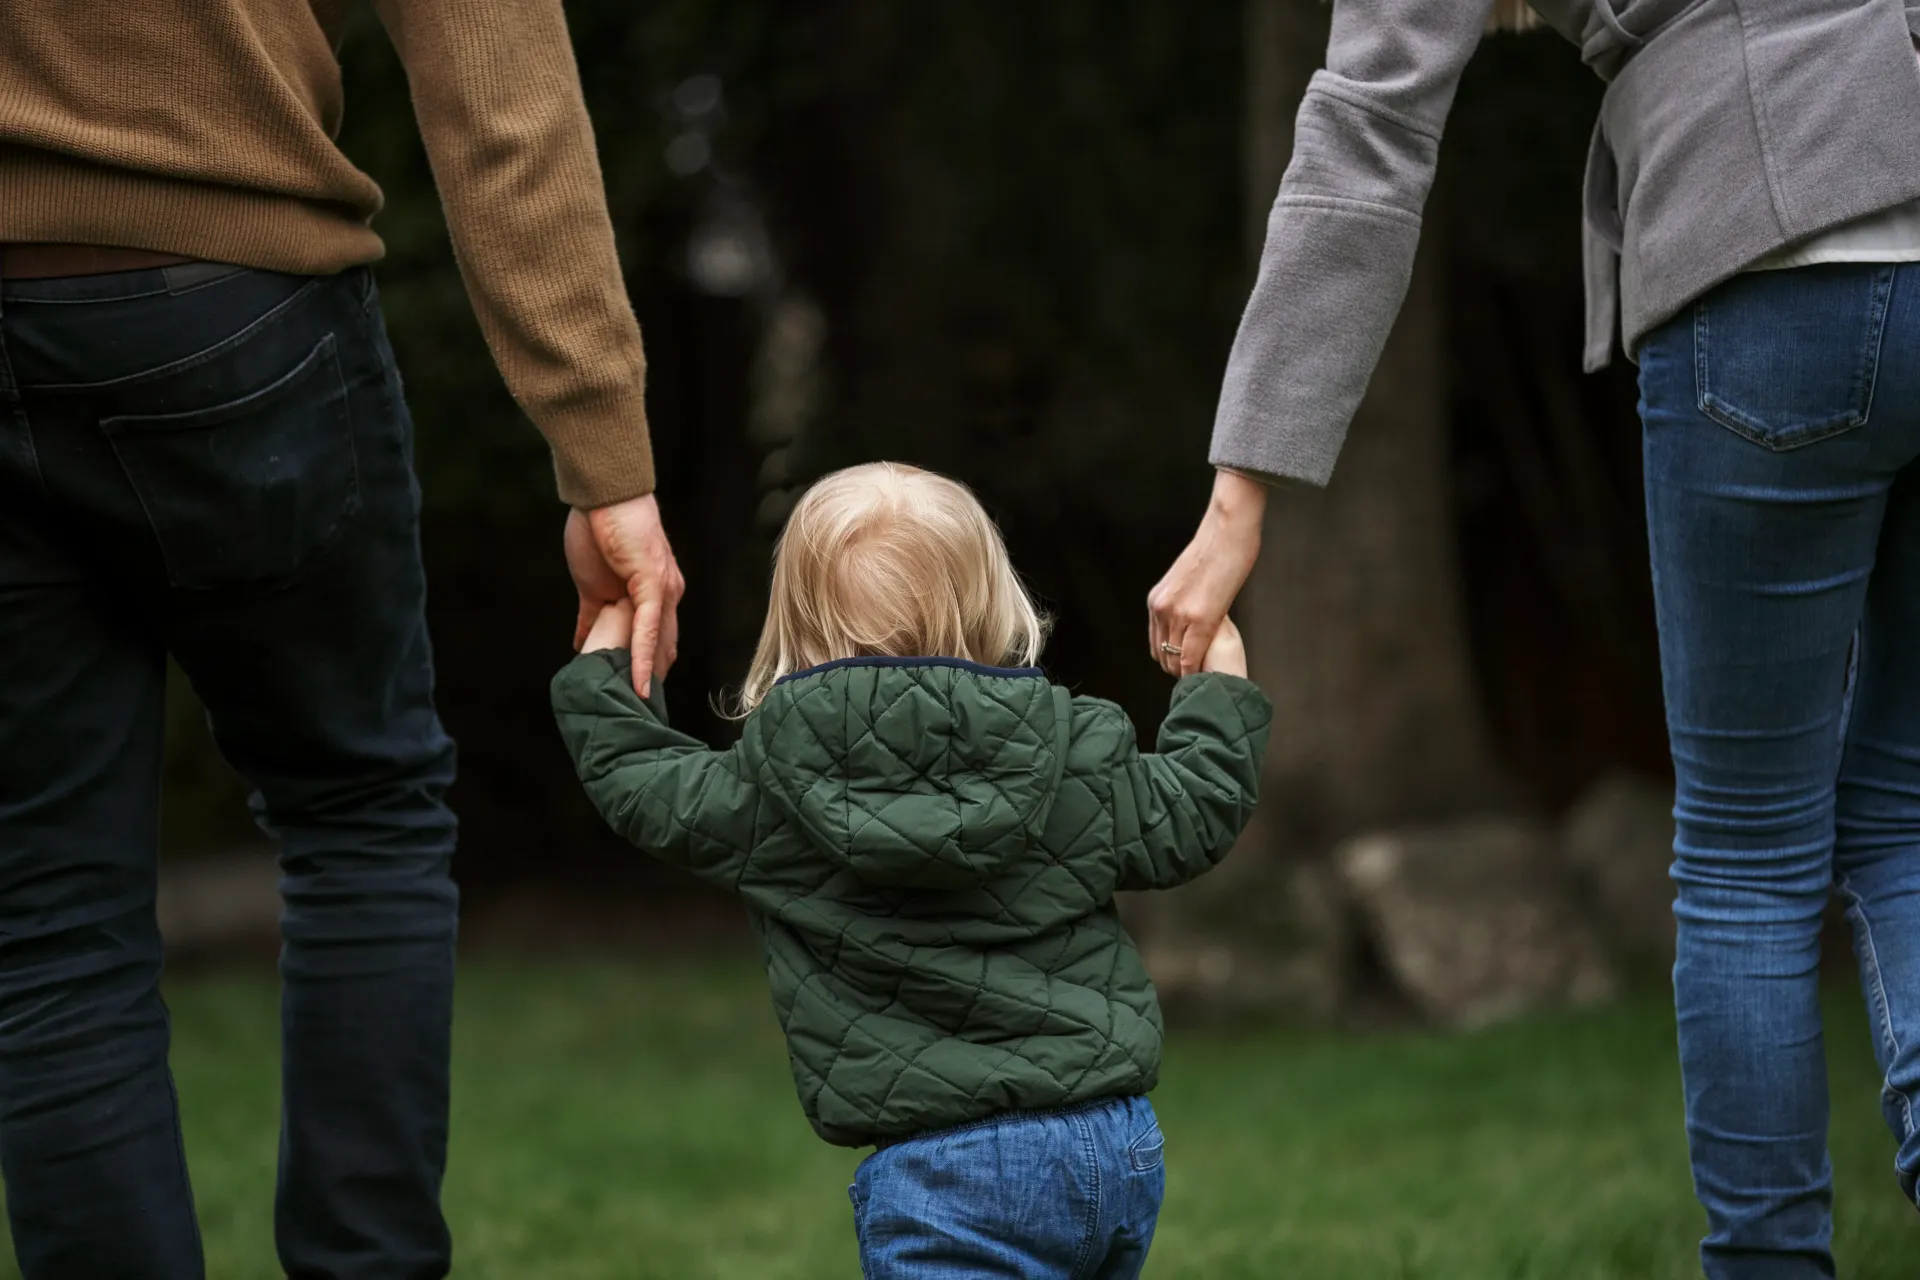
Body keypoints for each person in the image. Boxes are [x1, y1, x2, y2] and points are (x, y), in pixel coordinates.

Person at [1148, 2, 1920, 1276]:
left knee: (1746, 853)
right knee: (1903, 802)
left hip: (1769, 254)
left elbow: (1369, 128)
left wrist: (1242, 494)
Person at [0, 2, 681, 1276]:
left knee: (43, 916)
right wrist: (604, 451)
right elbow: (490, 50)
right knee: (359, 812)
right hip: (228, 299)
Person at [551, 462, 1271, 1278]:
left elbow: (639, 783)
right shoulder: (1075, 753)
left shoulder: (767, 790)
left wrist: (610, 661)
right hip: (1106, 1143)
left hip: (941, 1175)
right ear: (992, 601)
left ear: (795, 623)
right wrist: (1219, 687)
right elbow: (1195, 812)